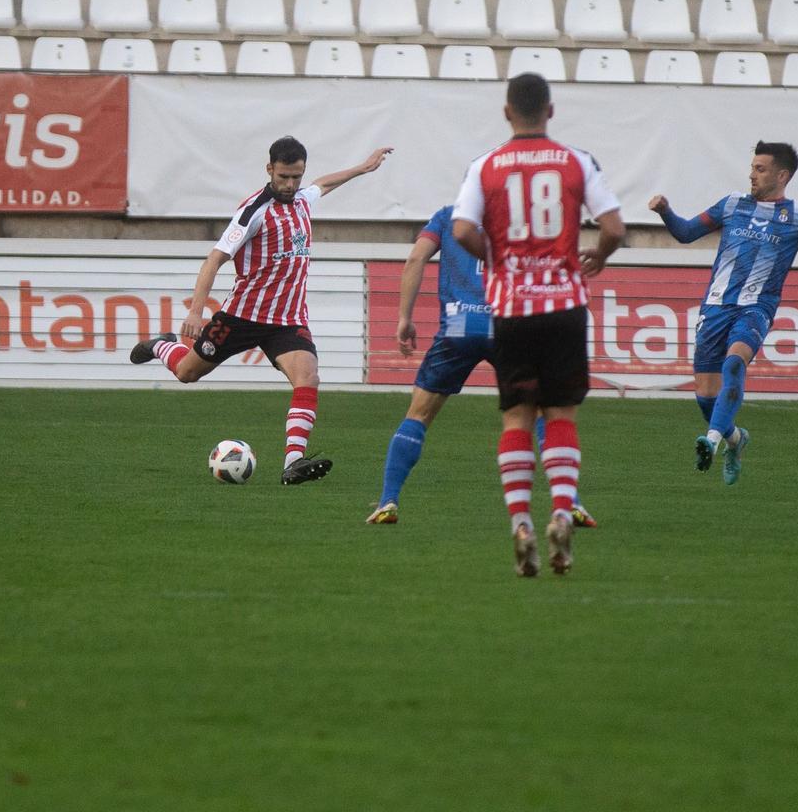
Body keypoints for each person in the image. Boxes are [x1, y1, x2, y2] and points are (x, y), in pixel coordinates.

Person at [128, 136, 394, 486]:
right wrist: (195, 312)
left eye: (296, 177)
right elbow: (214, 259)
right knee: (188, 372)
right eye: (283, 177)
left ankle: (293, 462)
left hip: (287, 320)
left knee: (308, 377)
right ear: (269, 170)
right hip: (242, 316)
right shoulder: (254, 211)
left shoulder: (301, 198)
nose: (289, 184)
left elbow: (323, 183)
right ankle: (160, 345)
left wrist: (363, 167)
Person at [448, 74, 622, 575]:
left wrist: (498, 259)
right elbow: (613, 228)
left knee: (517, 418)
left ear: (507, 112)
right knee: (561, 417)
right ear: (551, 110)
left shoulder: (485, 166)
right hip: (564, 306)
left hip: (512, 311)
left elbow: (461, 229)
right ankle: (562, 512)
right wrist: (598, 256)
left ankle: (521, 522)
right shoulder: (576, 161)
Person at [368, 201, 606, 529]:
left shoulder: (446, 217)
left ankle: (388, 501)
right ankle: (570, 501)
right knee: (541, 412)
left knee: (419, 413)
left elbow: (415, 258)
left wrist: (404, 319)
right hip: (508, 324)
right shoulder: (517, 217)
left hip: (458, 328)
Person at [650, 142, 798, 485]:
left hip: (756, 308)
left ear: (782, 175)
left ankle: (713, 441)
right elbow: (686, 232)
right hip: (715, 308)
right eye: (752, 167)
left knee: (735, 362)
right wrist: (665, 212)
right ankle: (736, 439)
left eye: (760, 169)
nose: (752, 174)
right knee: (705, 396)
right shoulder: (732, 204)